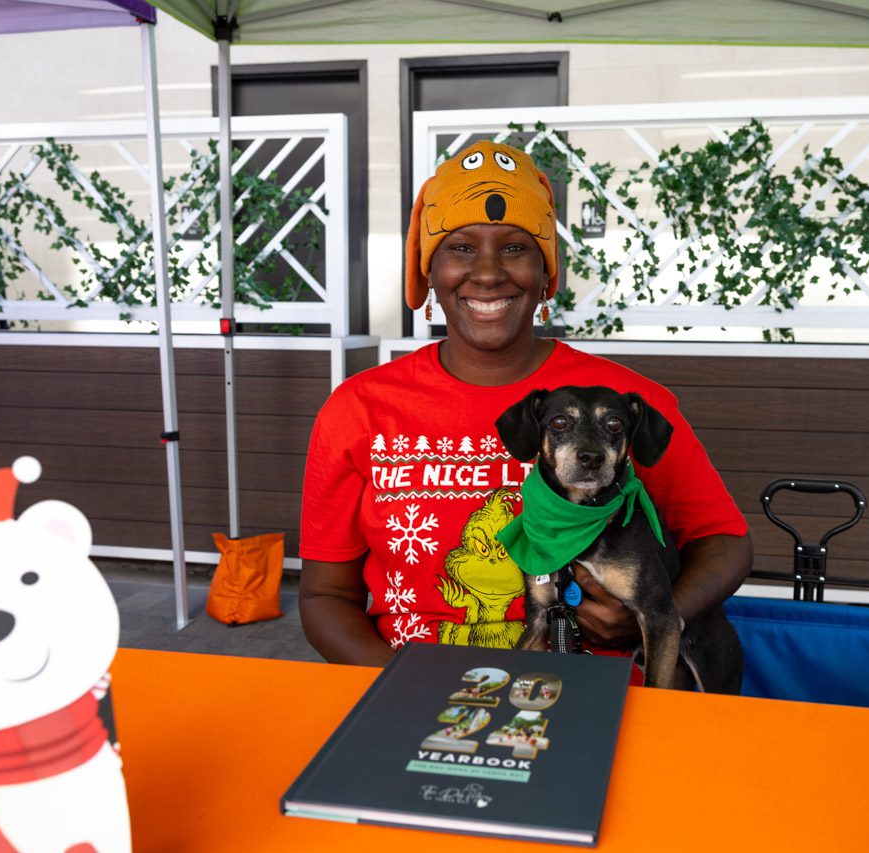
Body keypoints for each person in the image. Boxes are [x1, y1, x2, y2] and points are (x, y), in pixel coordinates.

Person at [298, 140, 752, 675]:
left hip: (605, 691)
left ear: (545, 274)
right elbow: (324, 597)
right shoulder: (359, 408)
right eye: (460, 247)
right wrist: (399, 687)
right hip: (410, 681)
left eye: (515, 248)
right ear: (429, 272)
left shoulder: (623, 401)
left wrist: (656, 613)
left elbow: (725, 543)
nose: (488, 272)